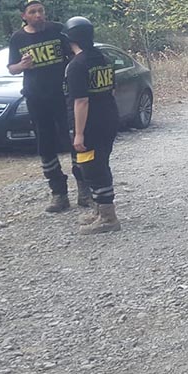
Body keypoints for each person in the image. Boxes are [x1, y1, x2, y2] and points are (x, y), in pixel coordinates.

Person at [7, 0, 85, 212]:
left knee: (75, 140)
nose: (38, 15)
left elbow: (76, 53)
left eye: (41, 11)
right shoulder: (18, 38)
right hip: (37, 99)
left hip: (64, 95)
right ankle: (58, 193)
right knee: (46, 145)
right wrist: (21, 65)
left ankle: (84, 188)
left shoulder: (58, 31)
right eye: (32, 12)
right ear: (24, 16)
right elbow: (11, 68)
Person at [63, 16, 121, 233]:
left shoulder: (77, 65)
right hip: (109, 117)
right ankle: (100, 210)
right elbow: (112, 90)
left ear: (70, 39)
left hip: (90, 124)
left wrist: (78, 134)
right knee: (101, 162)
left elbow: (81, 101)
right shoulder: (104, 58)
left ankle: (108, 218)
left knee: (92, 168)